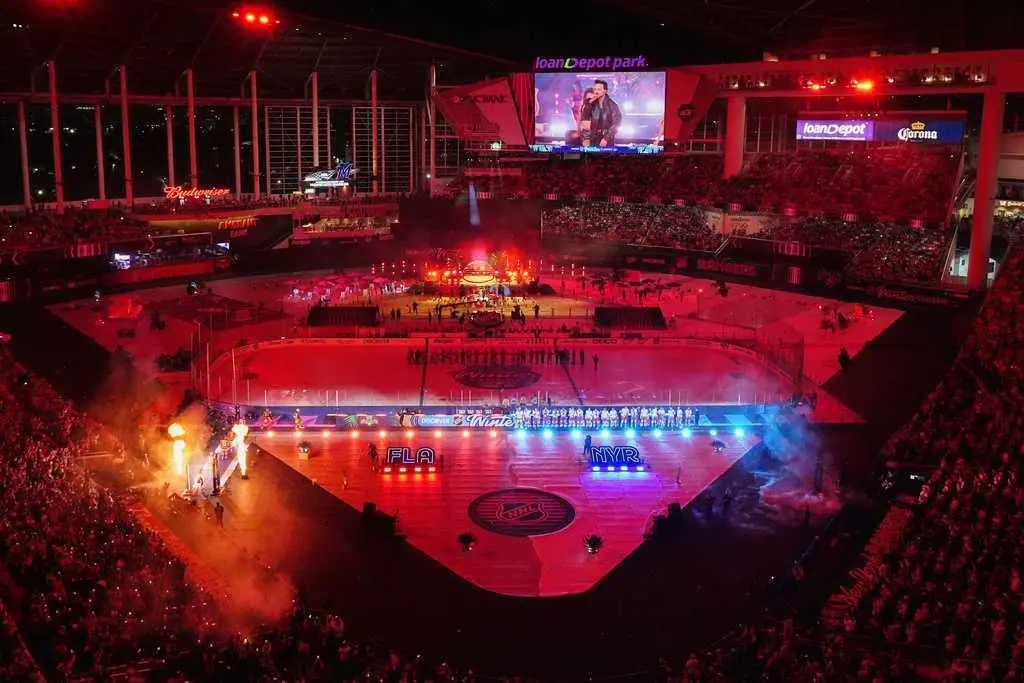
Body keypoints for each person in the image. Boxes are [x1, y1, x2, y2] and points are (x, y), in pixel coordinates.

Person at [590, 79, 623, 147]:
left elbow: (617, 123)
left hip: (607, 140)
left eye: (599, 89)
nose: (596, 91)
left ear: (605, 91)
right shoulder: (592, 104)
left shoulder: (612, 105)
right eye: (595, 89)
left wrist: (606, 138)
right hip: (593, 139)